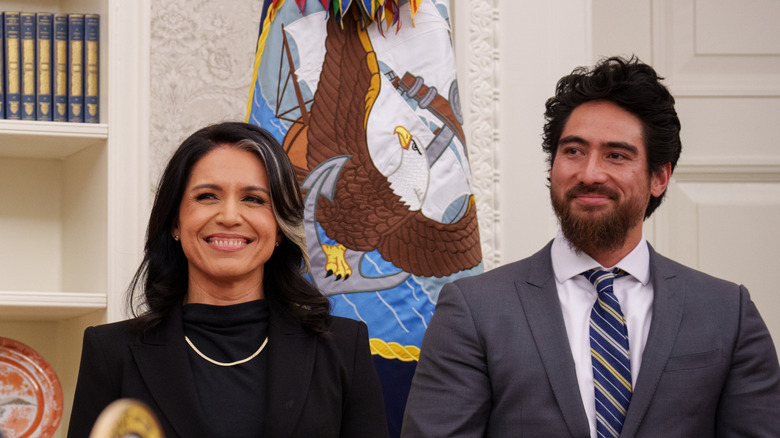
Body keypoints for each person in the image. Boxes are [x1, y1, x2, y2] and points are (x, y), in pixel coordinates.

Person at [401, 56, 780, 437]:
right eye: (573, 151)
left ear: (659, 177)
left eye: (616, 155)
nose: (590, 173)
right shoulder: (472, 310)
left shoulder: (728, 313)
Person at [68, 122, 389, 438]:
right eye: (208, 196)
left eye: (254, 199)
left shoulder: (344, 348)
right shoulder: (111, 353)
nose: (230, 216)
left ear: (279, 229)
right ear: (175, 222)